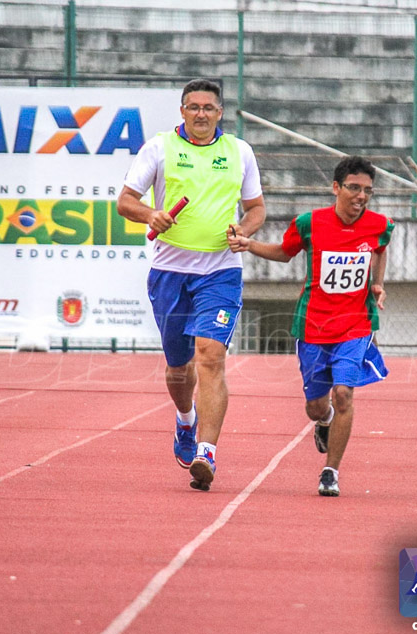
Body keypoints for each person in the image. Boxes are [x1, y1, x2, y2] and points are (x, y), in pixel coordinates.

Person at [117, 78, 266, 492]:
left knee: (211, 355)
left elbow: (256, 209)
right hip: (170, 273)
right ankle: (186, 421)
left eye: (209, 107)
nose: (201, 113)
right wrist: (151, 215)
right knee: (178, 368)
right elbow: (125, 201)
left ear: (221, 113)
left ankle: (207, 452)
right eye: (193, 106)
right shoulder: (160, 148)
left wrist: (245, 231)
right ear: (182, 111)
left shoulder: (239, 152)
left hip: (220, 271)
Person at [227, 156, 393, 497]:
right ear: (336, 188)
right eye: (354, 188)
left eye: (368, 191)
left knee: (344, 393)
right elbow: (284, 252)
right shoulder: (309, 223)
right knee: (316, 405)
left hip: (356, 324)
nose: (361, 196)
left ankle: (330, 471)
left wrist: (377, 284)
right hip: (313, 325)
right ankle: (324, 420)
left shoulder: (380, 225)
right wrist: (249, 244)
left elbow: (381, 249)